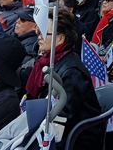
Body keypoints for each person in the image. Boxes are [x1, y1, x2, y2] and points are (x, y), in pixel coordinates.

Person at [25, 9, 102, 148]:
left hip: (74, 138)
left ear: (60, 38)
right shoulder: (46, 60)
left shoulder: (71, 72)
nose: (39, 37)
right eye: (38, 32)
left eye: (43, 32)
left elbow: (62, 117)